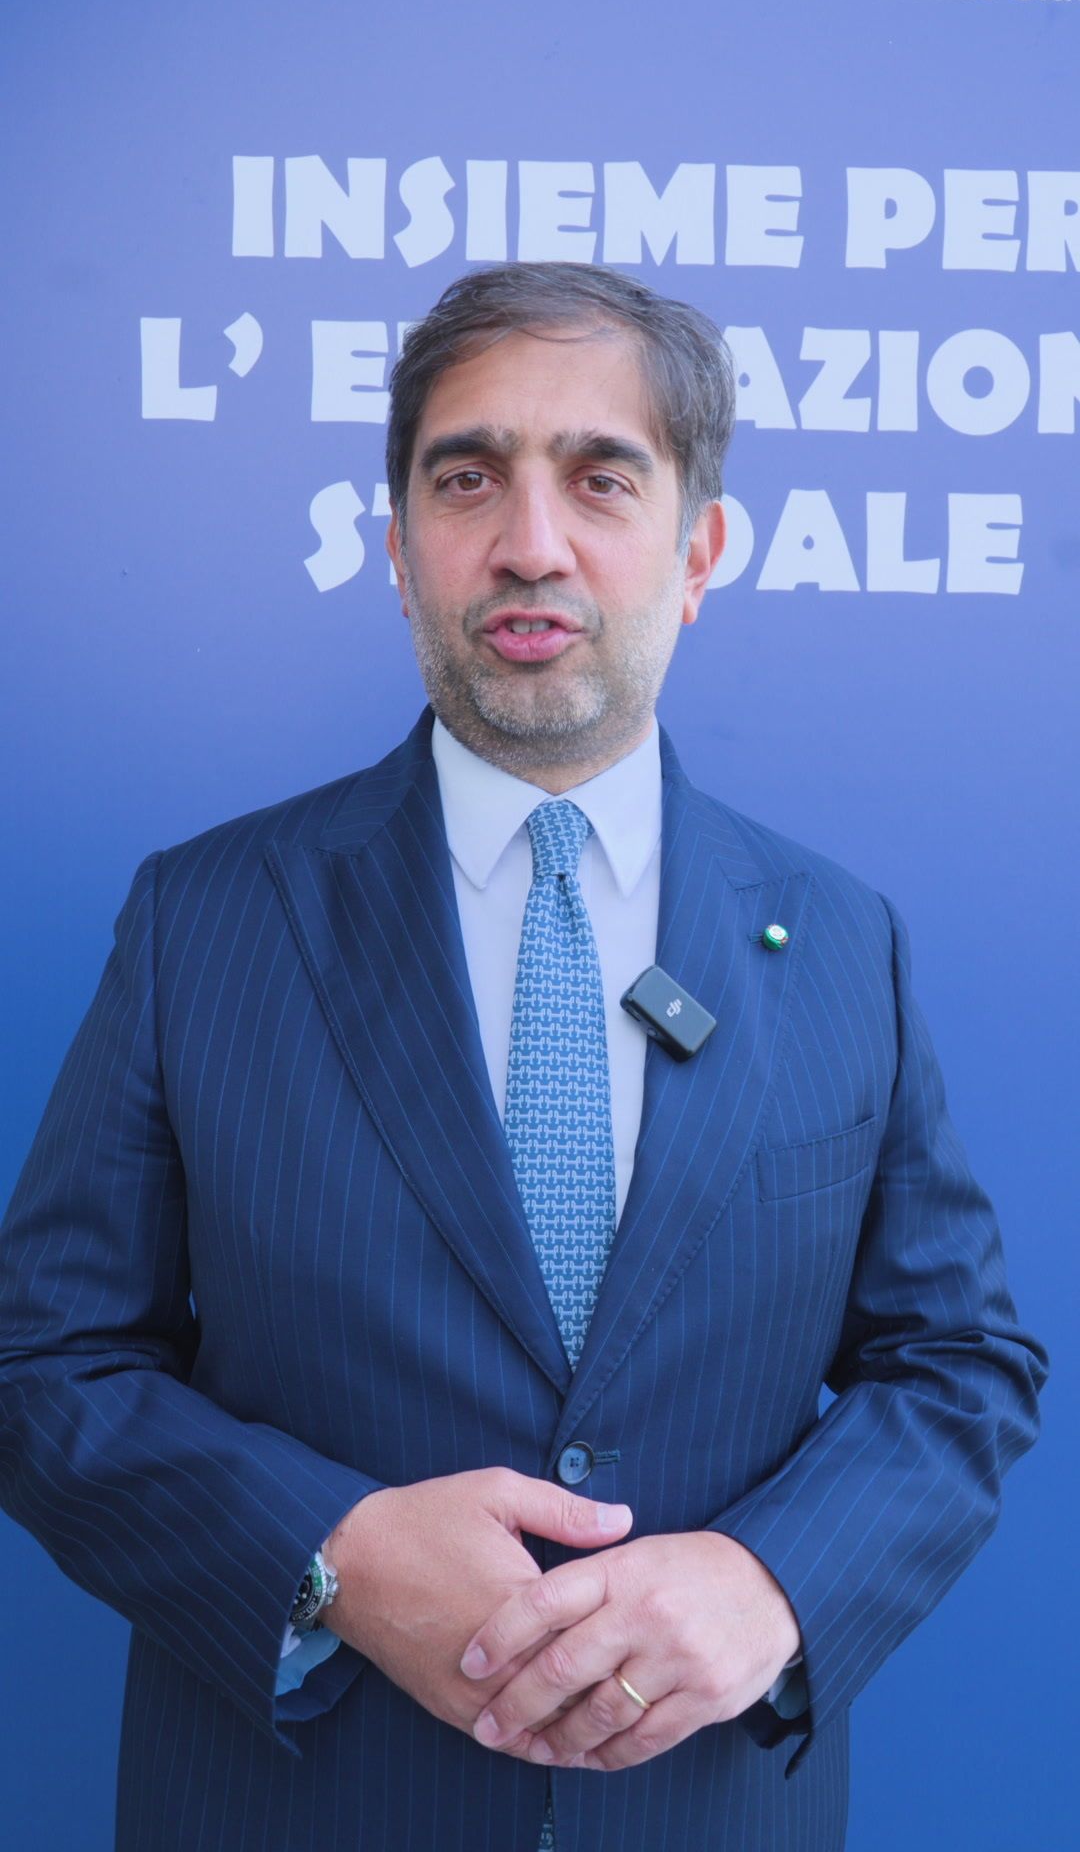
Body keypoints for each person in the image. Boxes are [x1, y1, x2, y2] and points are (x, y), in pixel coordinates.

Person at [0, 263, 1047, 1852]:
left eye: (602, 478)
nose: (531, 543)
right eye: (467, 477)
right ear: (399, 549)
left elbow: (960, 1364)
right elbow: (43, 1361)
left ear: (701, 551)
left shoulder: (843, 942)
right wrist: (330, 1557)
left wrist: (771, 1582)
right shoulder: (204, 921)